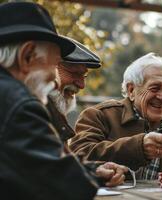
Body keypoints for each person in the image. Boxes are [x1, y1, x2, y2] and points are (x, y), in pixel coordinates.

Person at [0, 2, 96, 199]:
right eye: (54, 65)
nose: (55, 79)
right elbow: (71, 188)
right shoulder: (21, 106)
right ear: (27, 56)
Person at [69, 53, 162, 179]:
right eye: (155, 88)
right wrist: (138, 147)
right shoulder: (99, 115)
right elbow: (78, 157)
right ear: (131, 91)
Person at [48, 37, 128, 187]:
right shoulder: (28, 109)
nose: (82, 85)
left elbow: (56, 165)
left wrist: (95, 170)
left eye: (83, 76)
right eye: (74, 73)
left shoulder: (51, 112)